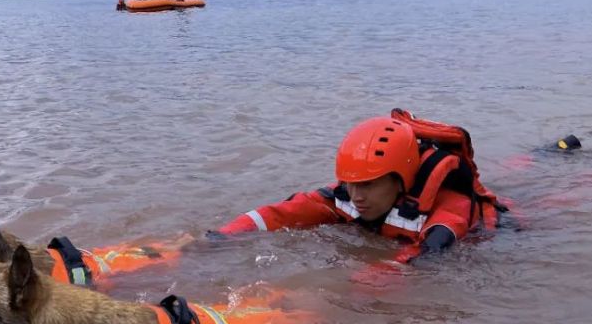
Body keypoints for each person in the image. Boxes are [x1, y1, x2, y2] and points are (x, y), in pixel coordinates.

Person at [212, 109, 509, 266]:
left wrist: (366, 283)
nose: (356, 197)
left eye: (367, 186)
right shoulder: (350, 194)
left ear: (399, 179)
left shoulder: (448, 211)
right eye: (350, 184)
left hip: (505, 224)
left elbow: (426, 257)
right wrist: (215, 239)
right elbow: (283, 214)